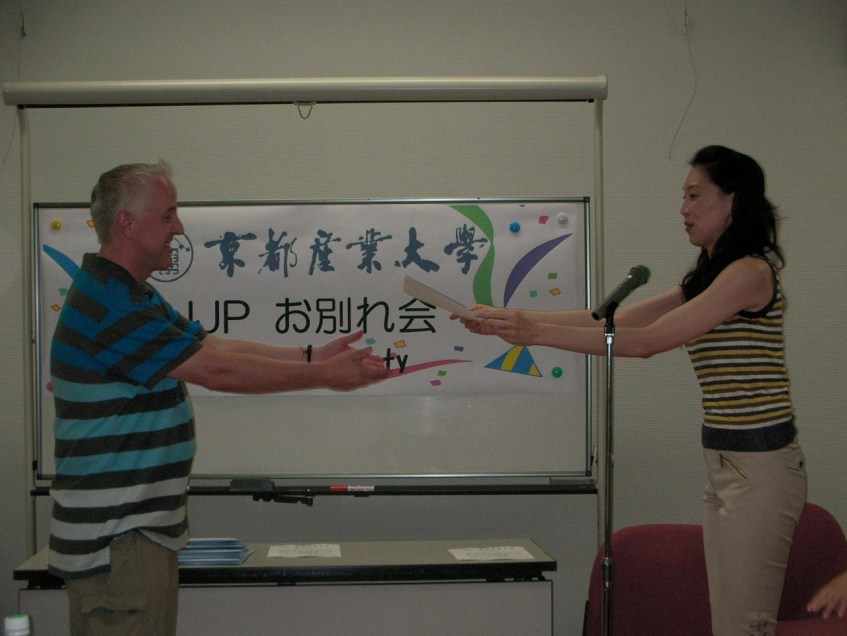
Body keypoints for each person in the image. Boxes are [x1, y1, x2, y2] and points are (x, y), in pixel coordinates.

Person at [458, 145, 807, 636]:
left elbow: (646, 342)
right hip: (726, 463)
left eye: (694, 195)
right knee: (727, 620)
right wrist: (509, 321)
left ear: (733, 200)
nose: (683, 208)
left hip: (762, 467)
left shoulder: (748, 273)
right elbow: (605, 320)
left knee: (745, 624)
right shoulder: (706, 278)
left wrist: (532, 334)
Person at [49, 161, 391, 635]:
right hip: (117, 542)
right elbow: (219, 371)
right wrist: (324, 375)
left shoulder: (130, 294)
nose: (180, 228)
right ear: (126, 223)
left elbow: (211, 345)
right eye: (167, 215)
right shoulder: (109, 305)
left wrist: (311, 354)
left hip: (133, 539)